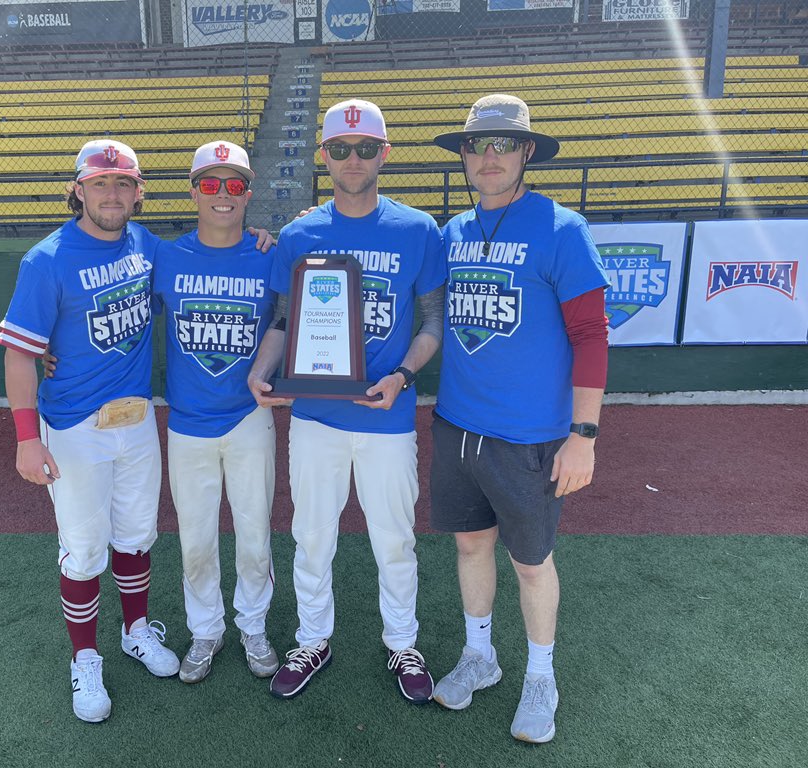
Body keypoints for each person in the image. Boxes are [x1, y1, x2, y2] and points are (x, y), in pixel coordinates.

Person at [247, 99, 446, 703]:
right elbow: (283, 318)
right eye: (339, 148)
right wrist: (262, 372)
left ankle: (401, 642)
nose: (352, 159)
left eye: (364, 149)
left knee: (395, 537)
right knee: (312, 536)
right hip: (314, 415)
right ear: (323, 156)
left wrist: (405, 377)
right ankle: (313, 639)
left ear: (384, 154)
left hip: (386, 417)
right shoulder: (301, 234)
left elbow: (432, 320)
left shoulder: (418, 229)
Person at [428, 94, 609, 742]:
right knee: (470, 544)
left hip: (531, 436)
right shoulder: (452, 232)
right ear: (466, 156)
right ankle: (482, 656)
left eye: (505, 144)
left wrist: (583, 436)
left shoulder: (562, 228)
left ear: (527, 152)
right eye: (479, 145)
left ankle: (541, 676)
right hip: (457, 426)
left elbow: (591, 333)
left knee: (531, 563)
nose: (490, 156)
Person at [0, 140, 180, 723]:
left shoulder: (144, 245)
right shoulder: (46, 259)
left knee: (137, 534)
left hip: (137, 419)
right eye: (100, 183)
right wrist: (28, 436)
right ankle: (85, 659)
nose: (112, 193)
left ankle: (135, 630)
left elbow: (206, 260)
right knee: (83, 550)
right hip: (74, 426)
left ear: (138, 192)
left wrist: (266, 239)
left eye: (123, 183)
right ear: (79, 187)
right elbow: (21, 355)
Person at [152, 142, 279, 683]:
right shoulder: (166, 257)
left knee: (255, 536)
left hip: (249, 418)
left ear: (248, 193)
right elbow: (120, 306)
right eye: (210, 184)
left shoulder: (270, 253)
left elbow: (290, 318)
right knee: (196, 539)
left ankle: (253, 623)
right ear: (193, 191)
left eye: (234, 185)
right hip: (187, 421)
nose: (222, 195)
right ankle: (206, 628)